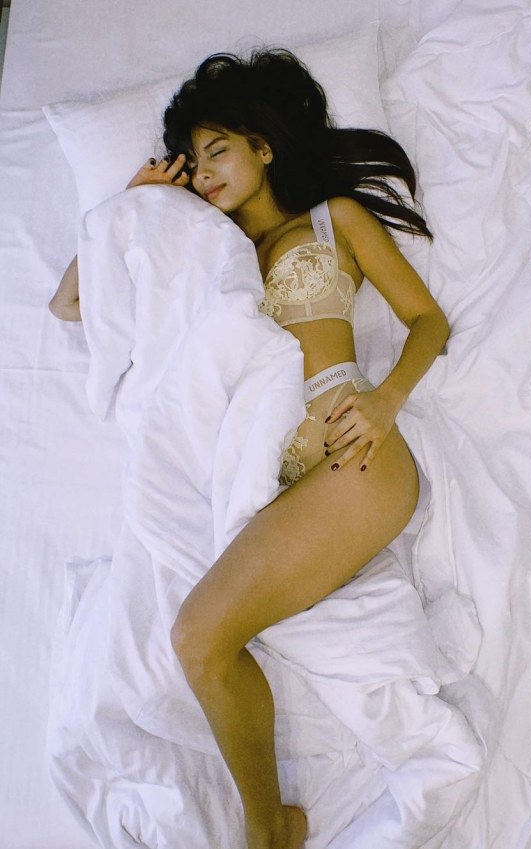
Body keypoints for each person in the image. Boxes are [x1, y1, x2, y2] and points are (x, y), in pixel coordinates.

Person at [52, 50, 450, 849]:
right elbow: (71, 303)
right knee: (196, 641)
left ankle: (266, 831)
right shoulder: (201, 248)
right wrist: (136, 202)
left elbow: (428, 321)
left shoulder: (335, 220)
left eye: (217, 152)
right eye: (192, 164)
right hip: (265, 477)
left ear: (262, 147)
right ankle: (273, 825)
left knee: (199, 636)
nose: (203, 175)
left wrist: (384, 400)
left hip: (355, 459)